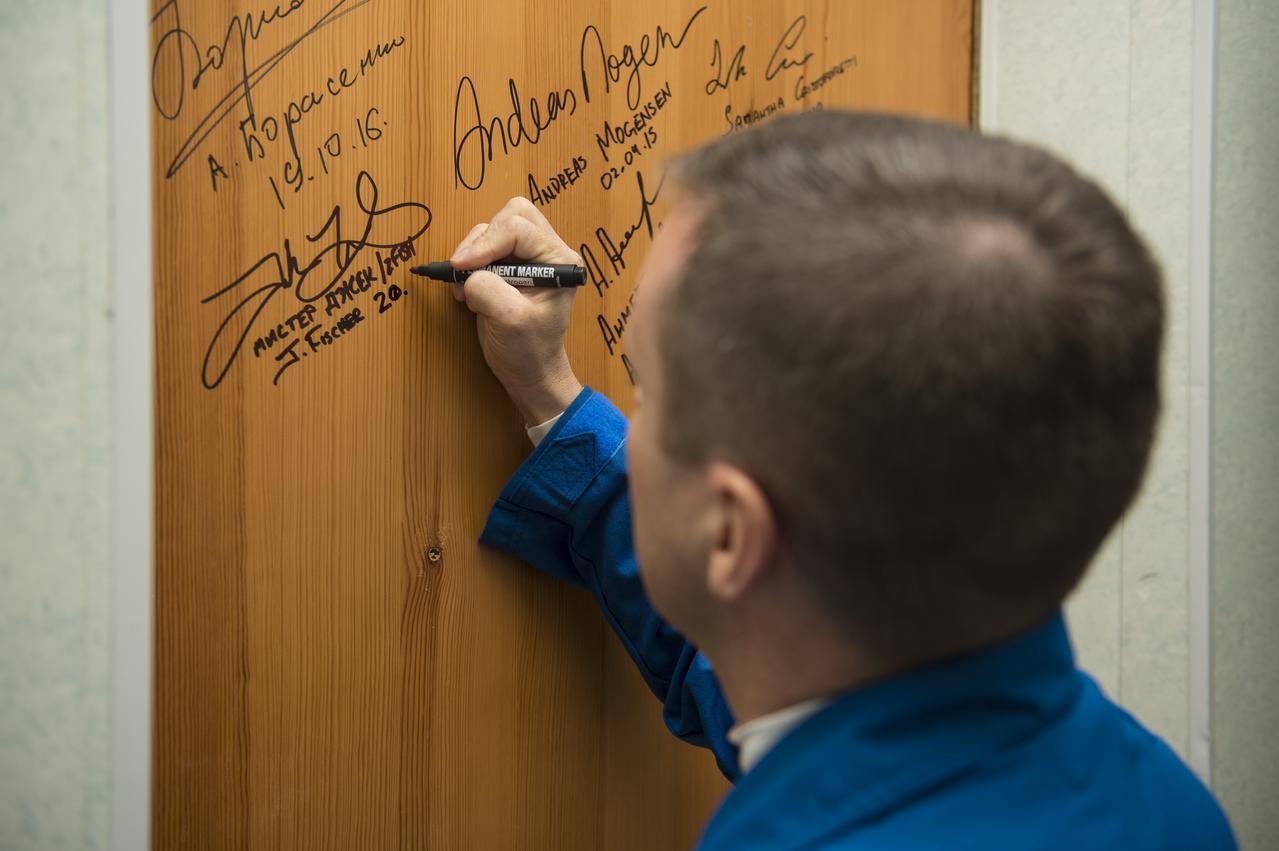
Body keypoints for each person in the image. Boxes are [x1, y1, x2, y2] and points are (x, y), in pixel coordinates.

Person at [446, 111, 1235, 850]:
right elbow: (744, 658)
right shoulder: (1167, 803)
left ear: (730, 532)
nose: (631, 417)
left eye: (642, 390)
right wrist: (549, 388)